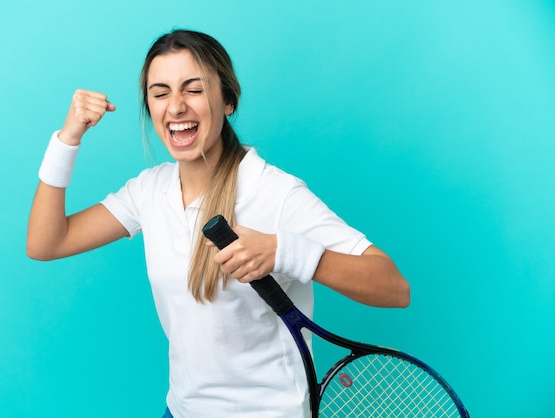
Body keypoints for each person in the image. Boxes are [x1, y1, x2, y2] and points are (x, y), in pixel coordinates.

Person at [27, 29, 410, 418]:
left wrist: (283, 251)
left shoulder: (275, 192)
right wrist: (67, 139)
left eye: (192, 89)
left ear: (228, 100)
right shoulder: (149, 191)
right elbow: (46, 243)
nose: (175, 107)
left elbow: (394, 288)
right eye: (160, 93)